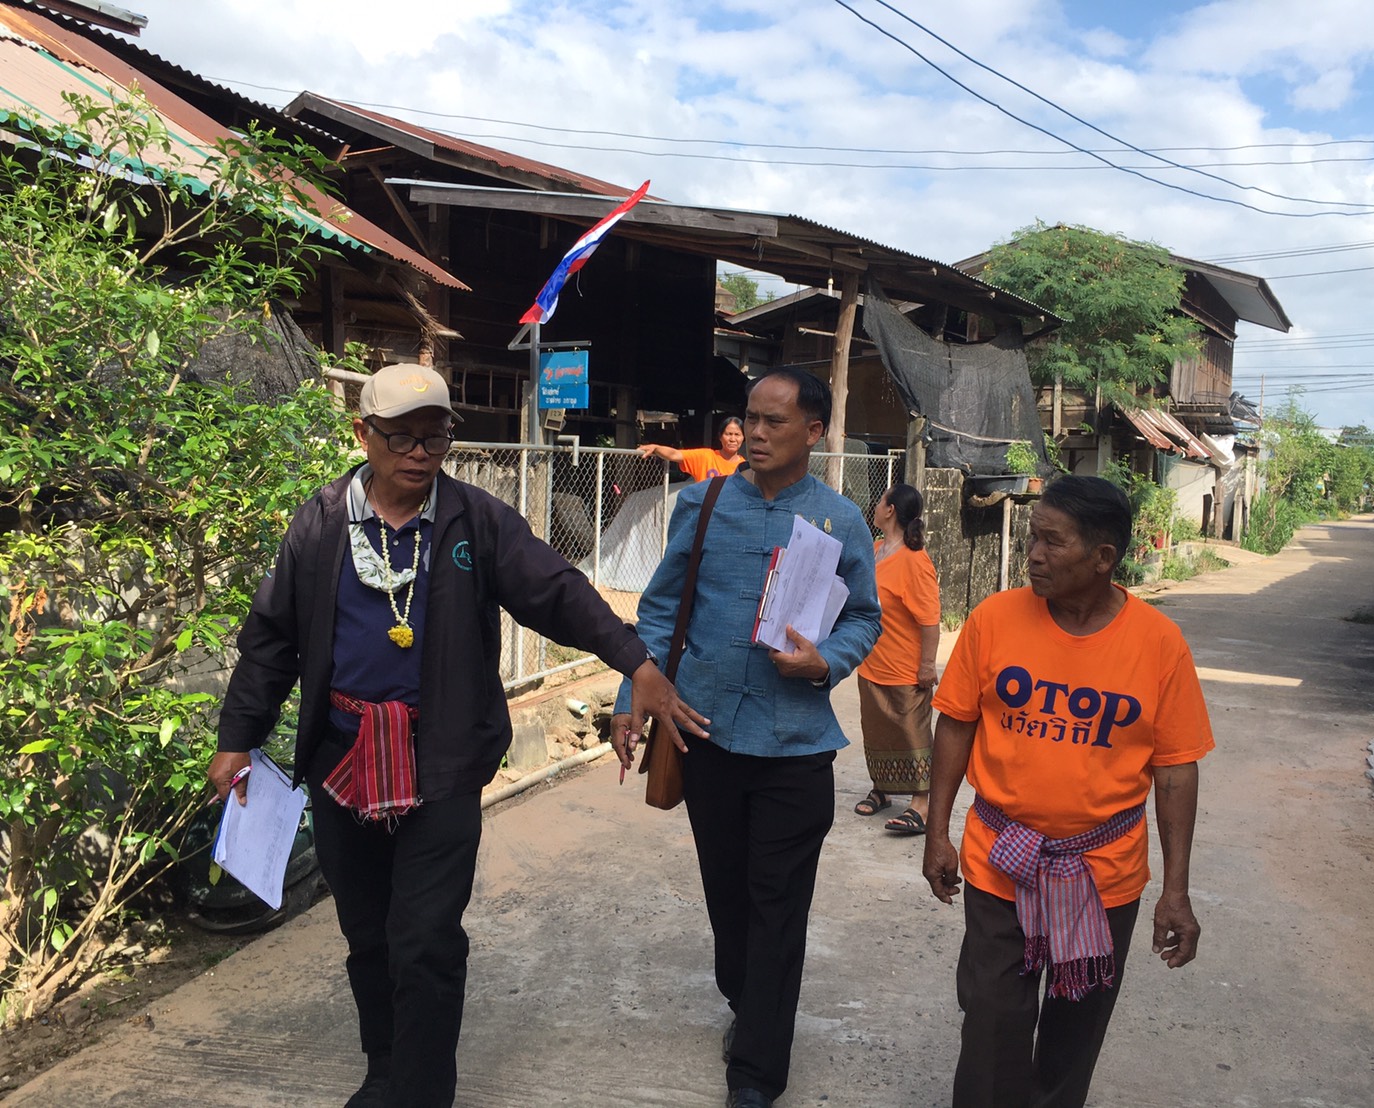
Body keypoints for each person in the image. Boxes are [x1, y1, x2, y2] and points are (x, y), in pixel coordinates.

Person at [206, 362, 702, 1108]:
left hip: (438, 764)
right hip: (343, 760)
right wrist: (238, 737)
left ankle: (423, 1090)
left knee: (426, 940)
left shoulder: (475, 521)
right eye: (400, 436)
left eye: (434, 435)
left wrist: (636, 661)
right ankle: (385, 1068)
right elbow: (272, 638)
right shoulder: (320, 520)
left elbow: (557, 593)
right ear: (361, 434)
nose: (419, 451)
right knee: (369, 936)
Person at [611, 368, 881, 1108]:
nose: (756, 434)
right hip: (704, 738)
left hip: (796, 749)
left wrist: (829, 660)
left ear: (814, 434)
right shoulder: (701, 507)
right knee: (728, 896)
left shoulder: (838, 520)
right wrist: (628, 699)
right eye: (750, 420)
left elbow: (865, 616)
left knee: (778, 905)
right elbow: (660, 613)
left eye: (774, 423)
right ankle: (746, 1000)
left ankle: (757, 1072)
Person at [923, 475, 1214, 1108]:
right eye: (1033, 537)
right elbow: (957, 722)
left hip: (1103, 875)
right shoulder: (994, 618)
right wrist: (936, 830)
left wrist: (1177, 890)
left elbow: (1175, 770)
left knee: (1072, 1035)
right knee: (993, 1022)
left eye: (1053, 542)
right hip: (1002, 863)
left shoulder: (1158, 644)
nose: (1033, 554)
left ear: (1104, 557)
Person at [852, 482, 940, 835]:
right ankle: (883, 789)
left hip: (905, 667)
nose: (875, 505)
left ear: (890, 511)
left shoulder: (915, 561)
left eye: (880, 501)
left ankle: (921, 803)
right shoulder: (875, 550)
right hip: (873, 661)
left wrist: (927, 665)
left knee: (912, 733)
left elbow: (930, 619)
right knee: (876, 729)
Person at [637, 415, 745, 481]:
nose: (732, 439)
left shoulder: (746, 467)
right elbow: (675, 454)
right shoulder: (705, 457)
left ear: (743, 438)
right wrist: (656, 448)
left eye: (737, 435)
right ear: (720, 437)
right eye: (728, 434)